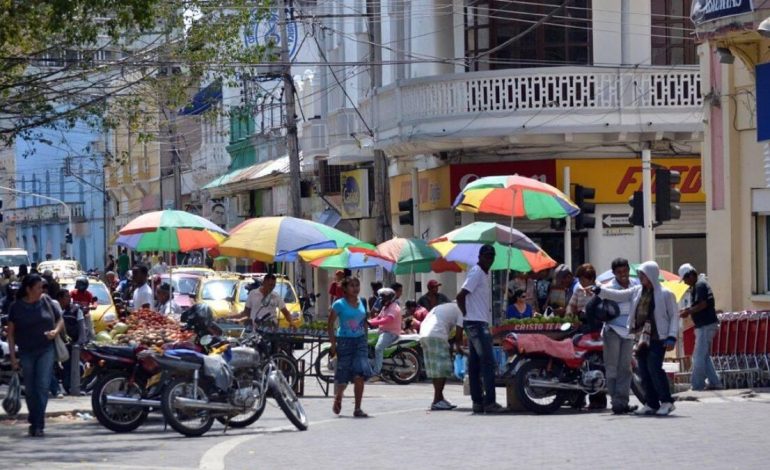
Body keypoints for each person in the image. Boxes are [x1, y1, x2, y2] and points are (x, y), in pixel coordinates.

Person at [596, 261, 679, 416]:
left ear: (652, 275)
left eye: (643, 275)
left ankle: (667, 402)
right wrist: (599, 291)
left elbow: (674, 316)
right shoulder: (637, 291)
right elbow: (618, 295)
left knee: (655, 369)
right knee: (644, 371)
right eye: (640, 274)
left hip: (659, 338)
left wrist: (672, 336)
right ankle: (652, 403)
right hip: (641, 338)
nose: (640, 277)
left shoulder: (666, 293)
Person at [6, 274, 65, 437]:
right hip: (26, 352)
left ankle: (38, 424)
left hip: (46, 349)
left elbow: (60, 320)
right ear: (29, 289)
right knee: (31, 390)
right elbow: (10, 334)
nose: (42, 290)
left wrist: (55, 331)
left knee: (42, 386)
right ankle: (34, 418)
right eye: (38, 287)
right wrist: (12, 358)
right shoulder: (16, 307)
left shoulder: (46, 301)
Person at [456, 244, 504, 414]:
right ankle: (489, 402)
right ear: (480, 256)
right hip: (475, 323)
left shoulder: (486, 273)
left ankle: (478, 402)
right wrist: (467, 314)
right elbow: (460, 296)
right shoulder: (476, 272)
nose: (489, 260)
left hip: (479, 322)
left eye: (492, 257)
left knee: (475, 364)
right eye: (486, 256)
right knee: (488, 363)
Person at [595, 258, 639, 415]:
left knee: (626, 369)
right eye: (619, 272)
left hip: (629, 332)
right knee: (612, 368)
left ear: (629, 270)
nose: (623, 275)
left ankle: (623, 402)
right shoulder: (608, 288)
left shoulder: (636, 285)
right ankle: (616, 402)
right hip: (612, 330)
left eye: (625, 271)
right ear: (614, 273)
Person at [327, 276, 373, 417]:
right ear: (345, 289)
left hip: (360, 342)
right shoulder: (339, 304)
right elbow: (330, 324)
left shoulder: (362, 302)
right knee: (344, 374)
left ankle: (357, 408)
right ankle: (339, 396)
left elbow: (364, 321)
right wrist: (333, 343)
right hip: (345, 341)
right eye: (352, 285)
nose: (355, 288)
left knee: (359, 374)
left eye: (357, 285)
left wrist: (365, 339)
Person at [678, 263, 723, 391]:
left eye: (685, 279)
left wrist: (688, 312)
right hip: (704, 325)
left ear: (691, 275)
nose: (685, 283)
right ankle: (715, 382)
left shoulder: (700, 285)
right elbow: (699, 304)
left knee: (697, 356)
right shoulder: (697, 286)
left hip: (705, 325)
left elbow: (703, 305)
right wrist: (687, 309)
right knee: (703, 356)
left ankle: (697, 385)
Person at [419, 302, 464, 410]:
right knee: (442, 370)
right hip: (436, 335)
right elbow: (459, 335)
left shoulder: (445, 307)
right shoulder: (462, 310)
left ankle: (439, 398)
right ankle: (437, 400)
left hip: (424, 334)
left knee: (436, 370)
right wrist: (460, 349)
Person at [229, 273, 296, 328]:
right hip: (256, 329)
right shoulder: (253, 294)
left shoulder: (276, 296)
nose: (272, 287)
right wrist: (230, 318)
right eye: (270, 285)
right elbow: (246, 313)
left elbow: (286, 313)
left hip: (271, 329)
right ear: (264, 283)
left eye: (273, 285)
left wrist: (291, 322)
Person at [56, 289, 86, 393]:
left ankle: (71, 387)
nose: (69, 299)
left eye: (69, 296)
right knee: (64, 367)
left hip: (73, 345)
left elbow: (82, 327)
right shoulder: (57, 310)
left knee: (75, 366)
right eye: (66, 297)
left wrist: (80, 343)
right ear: (60, 299)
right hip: (60, 344)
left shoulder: (76, 310)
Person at [368, 288, 402, 376]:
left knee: (378, 348)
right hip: (383, 331)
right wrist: (367, 321)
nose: (382, 300)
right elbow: (379, 318)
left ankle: (376, 372)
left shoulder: (394, 307)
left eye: (384, 298)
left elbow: (388, 319)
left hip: (391, 333)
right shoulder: (385, 307)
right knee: (366, 336)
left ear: (390, 298)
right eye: (382, 298)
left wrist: (372, 322)